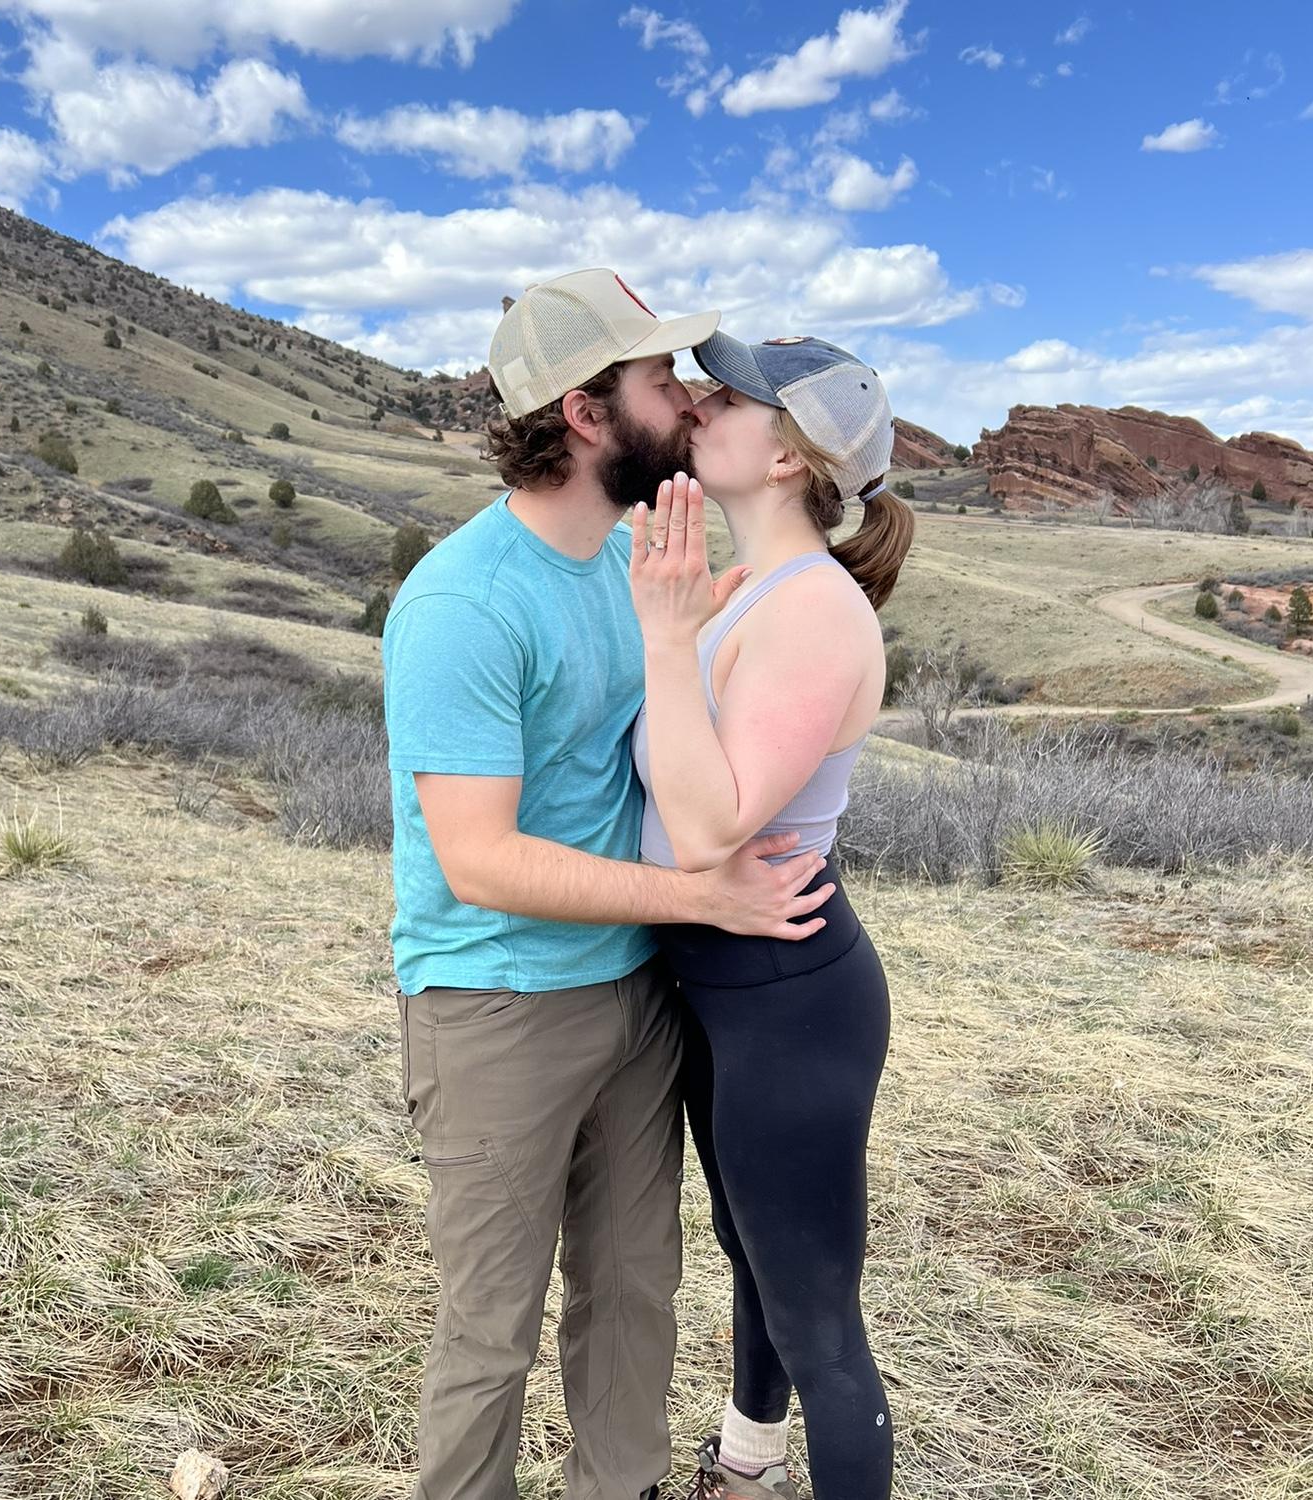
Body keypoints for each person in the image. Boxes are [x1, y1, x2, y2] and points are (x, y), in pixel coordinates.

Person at [382, 269, 836, 1500]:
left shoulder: (626, 561)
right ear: (585, 415)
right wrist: (706, 899)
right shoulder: (466, 604)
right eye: (657, 378)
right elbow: (476, 860)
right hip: (496, 1007)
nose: (687, 397)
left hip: (630, 998)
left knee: (636, 1297)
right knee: (492, 1330)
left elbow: (662, 716)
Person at [628, 332, 915, 1500]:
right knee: (756, 1257)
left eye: (729, 394)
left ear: (791, 454)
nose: (698, 402)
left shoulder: (813, 613)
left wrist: (664, 636)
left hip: (788, 1008)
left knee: (819, 1326)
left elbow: (710, 834)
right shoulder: (748, 591)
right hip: (722, 991)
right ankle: (743, 1469)